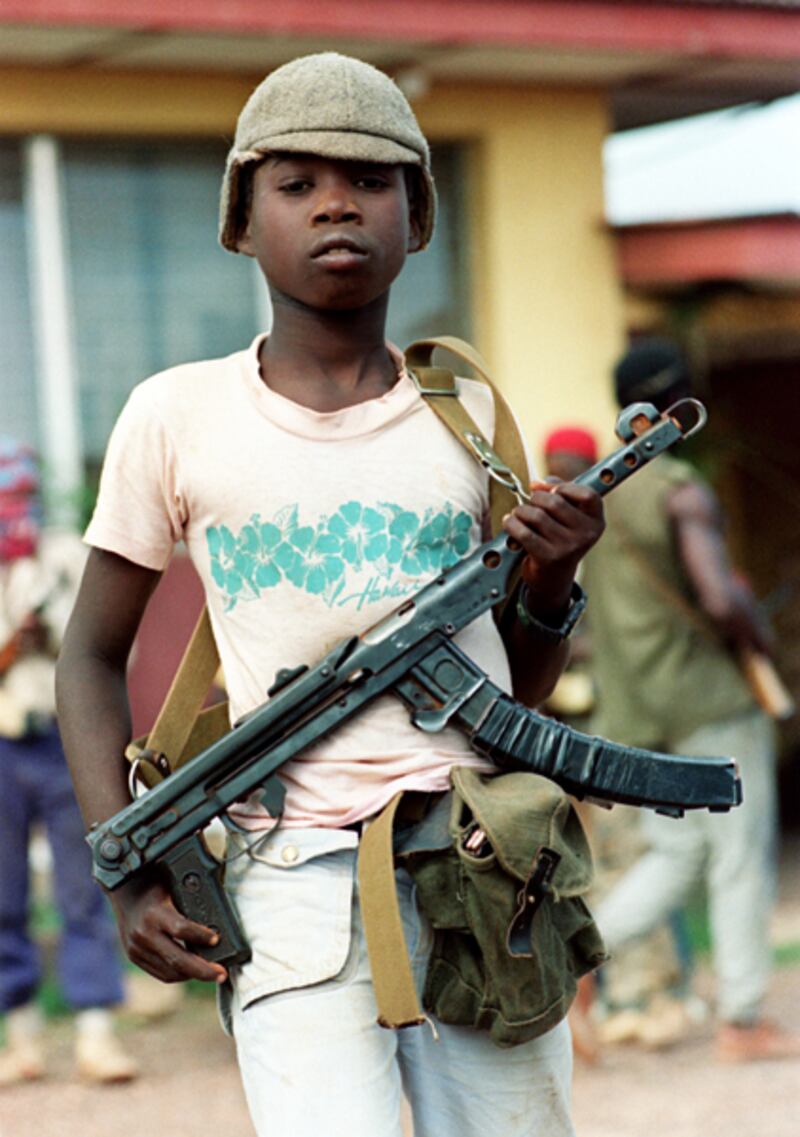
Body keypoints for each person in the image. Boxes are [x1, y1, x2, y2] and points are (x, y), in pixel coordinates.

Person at [55, 53, 606, 1137]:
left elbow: (518, 694)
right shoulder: (176, 416)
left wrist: (553, 578)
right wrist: (125, 874)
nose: (335, 205)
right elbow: (88, 656)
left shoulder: (465, 417)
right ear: (242, 220)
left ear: (416, 214)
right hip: (288, 878)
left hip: (482, 867)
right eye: (296, 184)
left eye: (367, 179)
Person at [581, 337, 800, 1063]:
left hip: (638, 713)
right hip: (708, 703)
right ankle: (742, 1020)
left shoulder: (596, 494)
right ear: (678, 402)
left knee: (673, 855)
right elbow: (718, 597)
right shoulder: (680, 488)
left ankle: (575, 965)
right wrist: (757, 633)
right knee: (738, 858)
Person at [0, 436, 137, 1086]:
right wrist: (12, 647)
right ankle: (21, 1033)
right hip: (3, 742)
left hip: (61, 741)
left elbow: (103, 651)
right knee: (3, 893)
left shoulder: (64, 558)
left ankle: (95, 1031)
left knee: (85, 885)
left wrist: (50, 639)